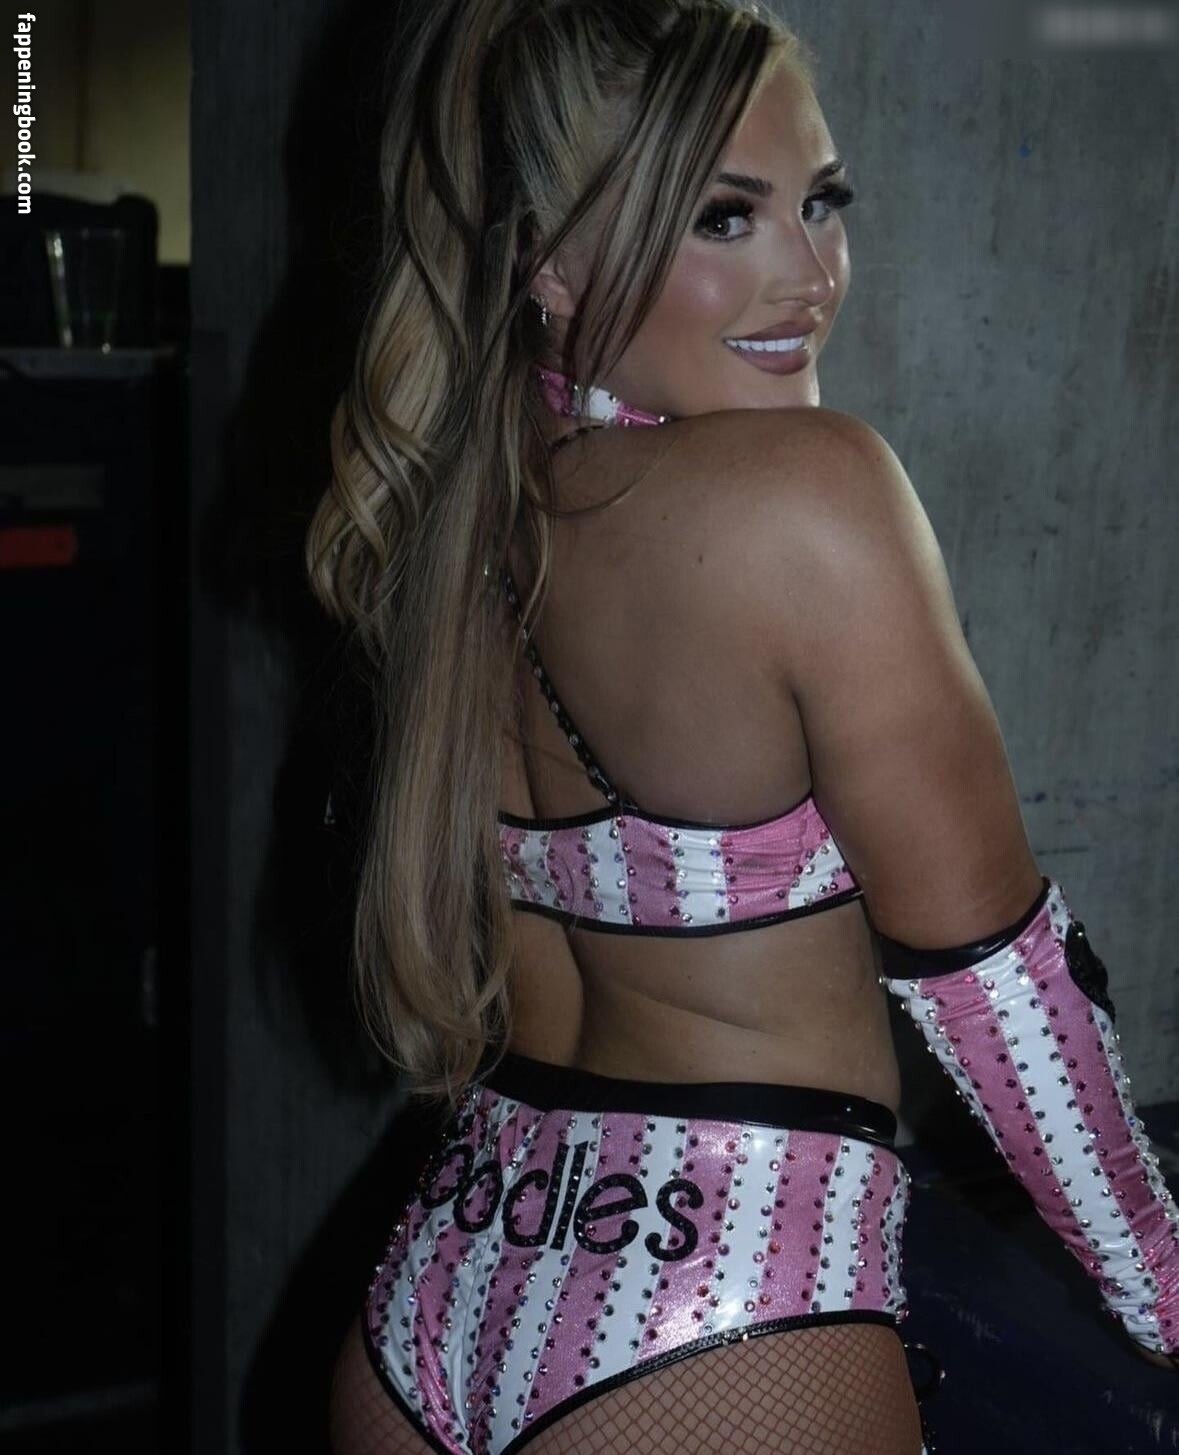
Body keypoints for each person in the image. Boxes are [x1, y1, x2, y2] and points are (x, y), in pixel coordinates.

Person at [306, 1, 1179, 1451]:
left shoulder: (461, 522)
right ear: (549, 261)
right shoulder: (811, 495)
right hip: (717, 1317)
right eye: (725, 217)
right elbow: (1002, 991)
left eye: (821, 202)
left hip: (428, 1304)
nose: (808, 276)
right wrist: (1166, 1295)